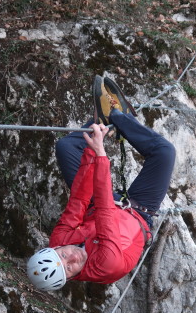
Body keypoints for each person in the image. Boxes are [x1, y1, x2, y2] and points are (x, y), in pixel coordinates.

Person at [26, 75, 176, 290]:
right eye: (68, 268)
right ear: (70, 278)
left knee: (67, 147)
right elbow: (106, 216)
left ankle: (104, 122)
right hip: (139, 211)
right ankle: (119, 116)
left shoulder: (58, 242)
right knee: (165, 152)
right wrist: (100, 154)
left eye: (63, 255)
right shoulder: (106, 266)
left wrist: (90, 151)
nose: (73, 258)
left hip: (102, 206)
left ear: (54, 250)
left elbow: (78, 201)